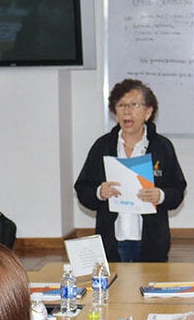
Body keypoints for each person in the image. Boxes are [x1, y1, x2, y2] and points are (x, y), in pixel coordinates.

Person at [73, 79, 186, 263]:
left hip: (151, 243)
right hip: (112, 242)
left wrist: (161, 195)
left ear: (148, 112)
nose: (127, 111)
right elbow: (83, 190)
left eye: (134, 105)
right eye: (121, 105)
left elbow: (178, 191)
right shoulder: (102, 146)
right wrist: (100, 192)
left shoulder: (161, 147)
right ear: (115, 111)